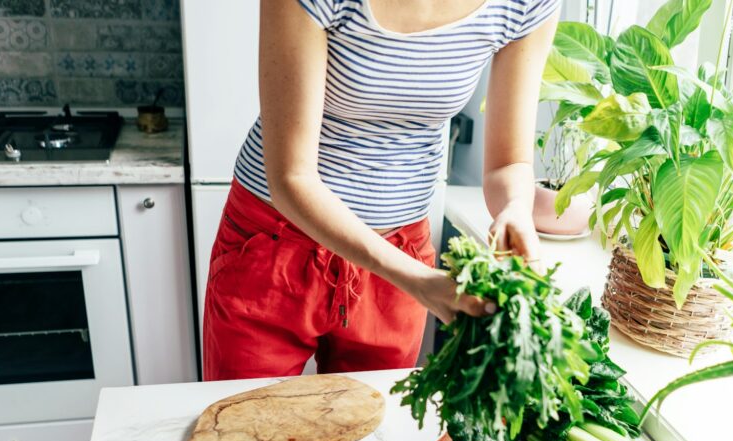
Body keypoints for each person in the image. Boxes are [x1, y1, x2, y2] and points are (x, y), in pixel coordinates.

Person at [203, 0, 561, 380]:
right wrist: (418, 280)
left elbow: (508, 163)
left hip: (400, 254)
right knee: (244, 424)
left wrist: (515, 209)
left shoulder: (527, 5)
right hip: (278, 244)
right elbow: (293, 178)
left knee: (370, 428)